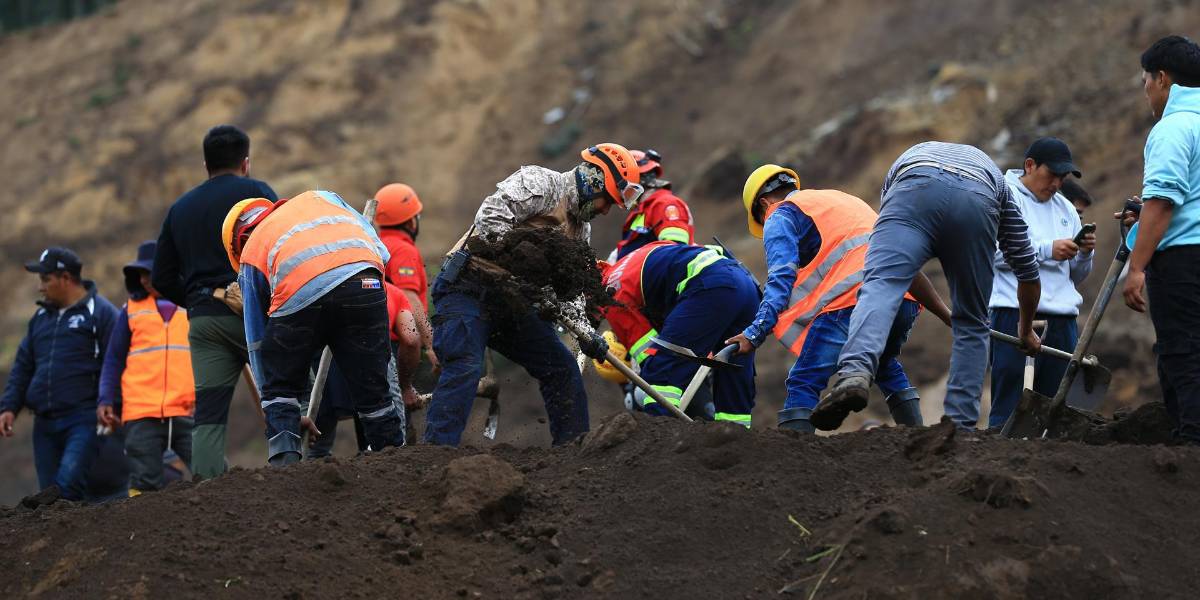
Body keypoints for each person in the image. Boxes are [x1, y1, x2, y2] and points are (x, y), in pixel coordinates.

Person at [424, 143, 643, 447]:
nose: (605, 210)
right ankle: (436, 452)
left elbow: (569, 292)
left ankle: (572, 453)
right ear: (593, 181)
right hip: (469, 286)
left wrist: (584, 333)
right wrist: (530, 260)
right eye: (607, 200)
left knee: (562, 368)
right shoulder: (542, 183)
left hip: (512, 304)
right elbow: (489, 218)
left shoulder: (581, 232)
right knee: (466, 366)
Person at [814, 142, 1042, 431]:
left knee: (881, 286)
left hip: (912, 184)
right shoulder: (1001, 187)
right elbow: (1027, 269)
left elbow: (902, 272)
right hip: (976, 198)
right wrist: (1025, 328)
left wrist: (944, 313)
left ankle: (855, 373)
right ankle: (959, 426)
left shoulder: (908, 160)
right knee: (972, 322)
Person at [725, 166, 952, 432]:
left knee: (804, 379)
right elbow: (900, 257)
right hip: (903, 297)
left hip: (852, 302)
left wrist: (754, 333)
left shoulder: (780, 214)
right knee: (883, 363)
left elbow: (781, 277)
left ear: (764, 204)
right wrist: (948, 315)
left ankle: (792, 454)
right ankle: (918, 438)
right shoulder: (841, 200)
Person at [226, 190, 407, 465]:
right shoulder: (322, 197)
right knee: (374, 391)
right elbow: (381, 253)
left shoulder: (251, 252)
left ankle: (285, 468)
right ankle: (394, 464)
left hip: (299, 295)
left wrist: (279, 408)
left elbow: (258, 343)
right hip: (365, 281)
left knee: (280, 389)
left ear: (237, 247)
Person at [151, 124, 277, 479]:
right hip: (254, 315)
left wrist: (197, 300)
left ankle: (205, 488)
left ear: (206, 165)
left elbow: (161, 277)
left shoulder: (180, 208)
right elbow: (280, 248)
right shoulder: (257, 194)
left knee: (208, 415)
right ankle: (297, 468)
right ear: (246, 162)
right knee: (290, 391)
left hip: (205, 323)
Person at [1121, 35, 1200, 445]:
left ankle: (1191, 446)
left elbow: (1165, 201)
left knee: (1183, 351)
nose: (1147, 91)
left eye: (1146, 82)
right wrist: (1146, 214)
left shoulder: (1173, 128)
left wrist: (1136, 266)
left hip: (1183, 260)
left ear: (1163, 78)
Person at [988, 139, 1095, 429]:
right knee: (1009, 402)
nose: (1056, 184)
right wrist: (1047, 249)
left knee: (1054, 409)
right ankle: (1000, 451)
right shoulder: (1003, 197)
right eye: (1052, 175)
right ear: (1030, 165)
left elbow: (1076, 275)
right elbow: (993, 253)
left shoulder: (1066, 209)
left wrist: (1084, 253)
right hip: (1012, 311)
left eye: (1062, 177)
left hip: (1062, 317)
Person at [0, 248, 118, 501]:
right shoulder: (40, 318)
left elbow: (117, 362)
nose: (40, 287)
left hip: (84, 418)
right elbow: (23, 365)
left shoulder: (101, 313)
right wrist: (9, 406)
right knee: (49, 497)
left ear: (66, 278)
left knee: (68, 484)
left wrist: (113, 404)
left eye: (45, 279)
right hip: (44, 423)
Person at [599, 241, 759, 426]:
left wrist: (642, 390)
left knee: (660, 375)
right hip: (746, 287)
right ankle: (736, 436)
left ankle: (659, 436)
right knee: (733, 376)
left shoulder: (610, 293)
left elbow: (648, 354)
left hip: (711, 287)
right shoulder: (636, 258)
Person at [98, 240, 195, 495]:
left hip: (185, 410)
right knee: (145, 483)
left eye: (149, 272)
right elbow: (113, 360)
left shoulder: (191, 307)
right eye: (140, 274)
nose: (143, 280)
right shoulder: (131, 311)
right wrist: (106, 398)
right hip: (141, 413)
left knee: (212, 471)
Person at [306, 281, 421, 459]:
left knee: (315, 449)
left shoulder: (318, 287)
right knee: (387, 447)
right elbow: (411, 339)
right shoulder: (390, 292)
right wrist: (406, 387)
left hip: (322, 366)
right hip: (371, 365)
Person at [373, 183, 437, 374]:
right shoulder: (402, 250)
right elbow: (409, 298)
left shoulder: (377, 245)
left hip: (376, 337)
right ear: (411, 222)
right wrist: (432, 344)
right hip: (396, 344)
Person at [612, 149, 694, 260]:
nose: (620, 192)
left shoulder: (665, 204)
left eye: (621, 185)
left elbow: (675, 253)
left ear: (636, 179)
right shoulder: (641, 212)